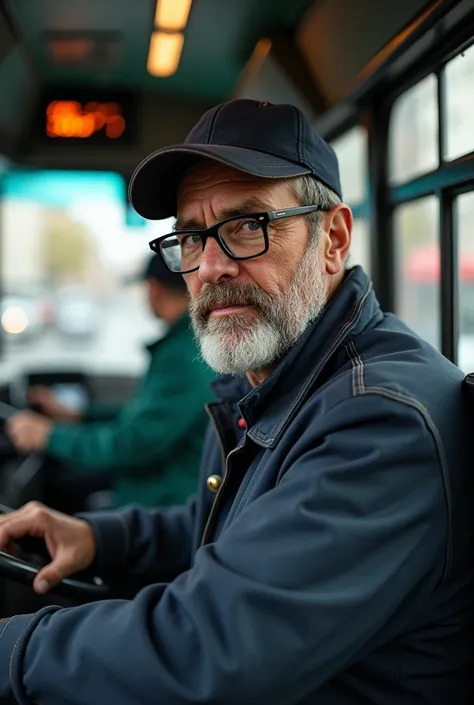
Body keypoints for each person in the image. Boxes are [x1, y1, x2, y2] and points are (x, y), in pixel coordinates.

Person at [0, 98, 472, 705]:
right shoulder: (273, 379)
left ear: (332, 238)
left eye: (248, 226)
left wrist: (13, 649)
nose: (212, 266)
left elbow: (209, 647)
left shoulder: (381, 421)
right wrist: (101, 538)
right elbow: (236, 530)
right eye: (193, 237)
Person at [5, 254, 216, 509]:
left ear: (154, 289)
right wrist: (79, 416)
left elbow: (134, 444)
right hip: (159, 493)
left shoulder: (183, 356)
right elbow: (145, 417)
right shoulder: (184, 345)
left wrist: (47, 436)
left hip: (161, 506)